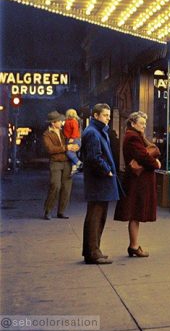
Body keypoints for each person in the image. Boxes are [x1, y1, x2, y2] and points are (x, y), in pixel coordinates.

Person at [113, 110, 161, 256]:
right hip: (137, 182)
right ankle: (133, 246)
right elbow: (143, 156)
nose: (144, 126)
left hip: (137, 180)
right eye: (141, 123)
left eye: (145, 123)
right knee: (135, 213)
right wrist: (156, 163)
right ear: (133, 123)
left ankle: (134, 245)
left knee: (135, 213)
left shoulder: (132, 135)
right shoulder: (133, 137)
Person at [80, 103, 121, 264]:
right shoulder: (93, 133)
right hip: (98, 182)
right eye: (105, 115)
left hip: (99, 182)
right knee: (96, 218)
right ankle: (93, 252)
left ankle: (92, 251)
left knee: (97, 217)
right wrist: (107, 170)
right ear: (96, 116)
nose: (108, 118)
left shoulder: (96, 131)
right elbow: (93, 157)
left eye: (109, 116)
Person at [41, 110, 74, 219]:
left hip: (66, 162)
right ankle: (48, 210)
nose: (61, 123)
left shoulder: (63, 132)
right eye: (59, 121)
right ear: (53, 122)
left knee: (66, 187)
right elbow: (50, 149)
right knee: (55, 185)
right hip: (55, 162)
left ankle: (61, 211)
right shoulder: (46, 134)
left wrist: (73, 146)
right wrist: (65, 148)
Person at [63, 108, 82, 175]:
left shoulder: (73, 121)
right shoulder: (67, 121)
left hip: (74, 139)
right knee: (72, 153)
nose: (71, 115)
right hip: (71, 139)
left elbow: (75, 130)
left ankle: (78, 163)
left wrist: (72, 138)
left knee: (69, 152)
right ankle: (74, 168)